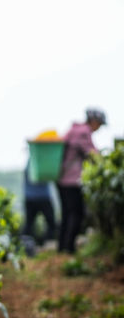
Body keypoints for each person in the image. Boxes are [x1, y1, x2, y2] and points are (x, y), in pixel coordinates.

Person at [56, 107, 107, 254]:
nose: (99, 128)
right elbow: (92, 154)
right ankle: (69, 248)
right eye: (99, 124)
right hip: (72, 180)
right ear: (94, 121)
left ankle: (62, 247)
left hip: (61, 179)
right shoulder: (83, 132)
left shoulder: (73, 130)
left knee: (67, 213)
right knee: (77, 213)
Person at [21, 164, 57, 251]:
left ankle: (34, 244)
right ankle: (37, 244)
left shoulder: (31, 165)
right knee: (49, 223)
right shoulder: (41, 164)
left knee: (29, 224)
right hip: (42, 197)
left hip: (31, 197)